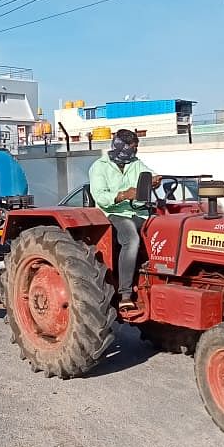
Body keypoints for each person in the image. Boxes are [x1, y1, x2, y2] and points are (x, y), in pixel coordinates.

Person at [88, 129, 160, 311]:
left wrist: (155, 179)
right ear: (122, 146)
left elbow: (148, 174)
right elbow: (100, 196)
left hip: (138, 212)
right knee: (132, 239)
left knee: (162, 231)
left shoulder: (135, 163)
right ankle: (125, 293)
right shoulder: (99, 166)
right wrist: (123, 195)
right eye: (132, 148)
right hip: (113, 213)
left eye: (136, 148)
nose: (135, 152)